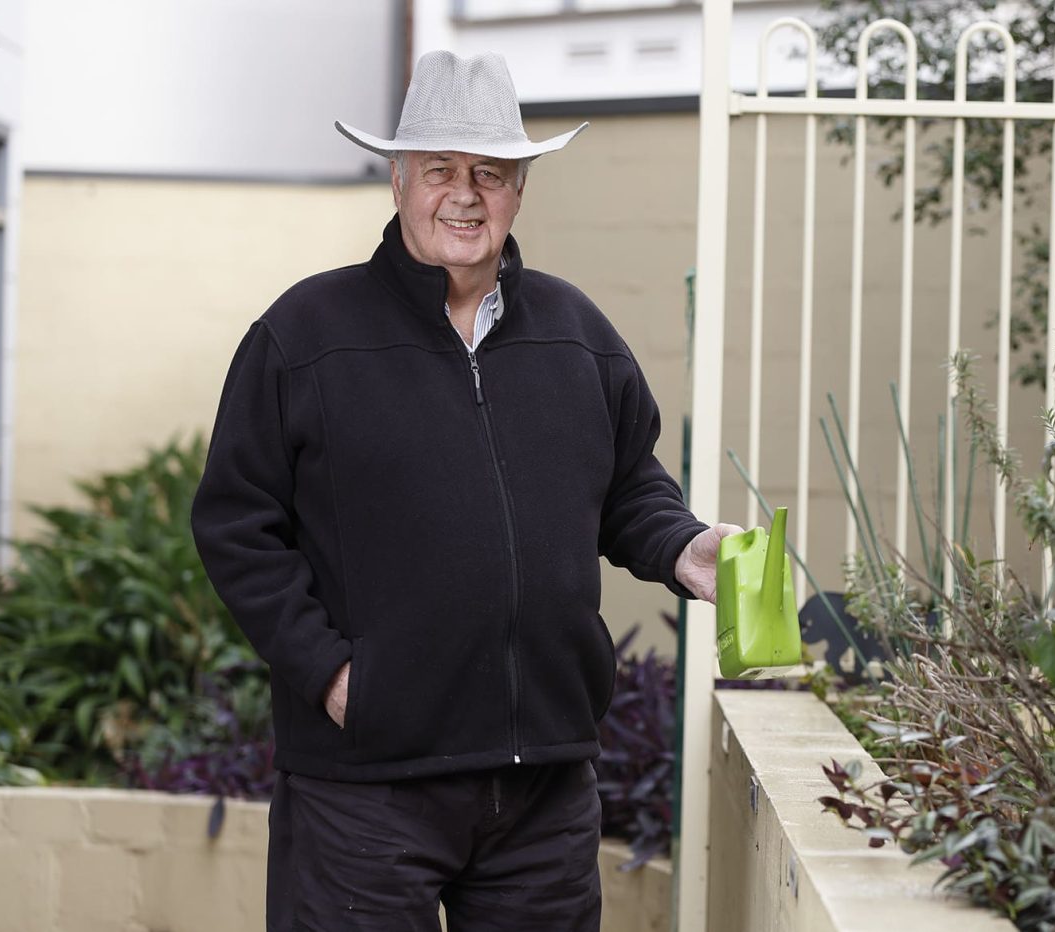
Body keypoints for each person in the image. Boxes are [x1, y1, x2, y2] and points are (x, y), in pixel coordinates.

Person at [192, 49, 739, 932]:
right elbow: (236, 525)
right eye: (440, 170)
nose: (465, 194)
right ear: (398, 179)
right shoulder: (303, 336)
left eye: (490, 172)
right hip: (364, 790)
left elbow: (628, 485)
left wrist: (682, 545)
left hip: (543, 798)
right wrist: (333, 674)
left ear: (520, 188)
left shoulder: (578, 335)